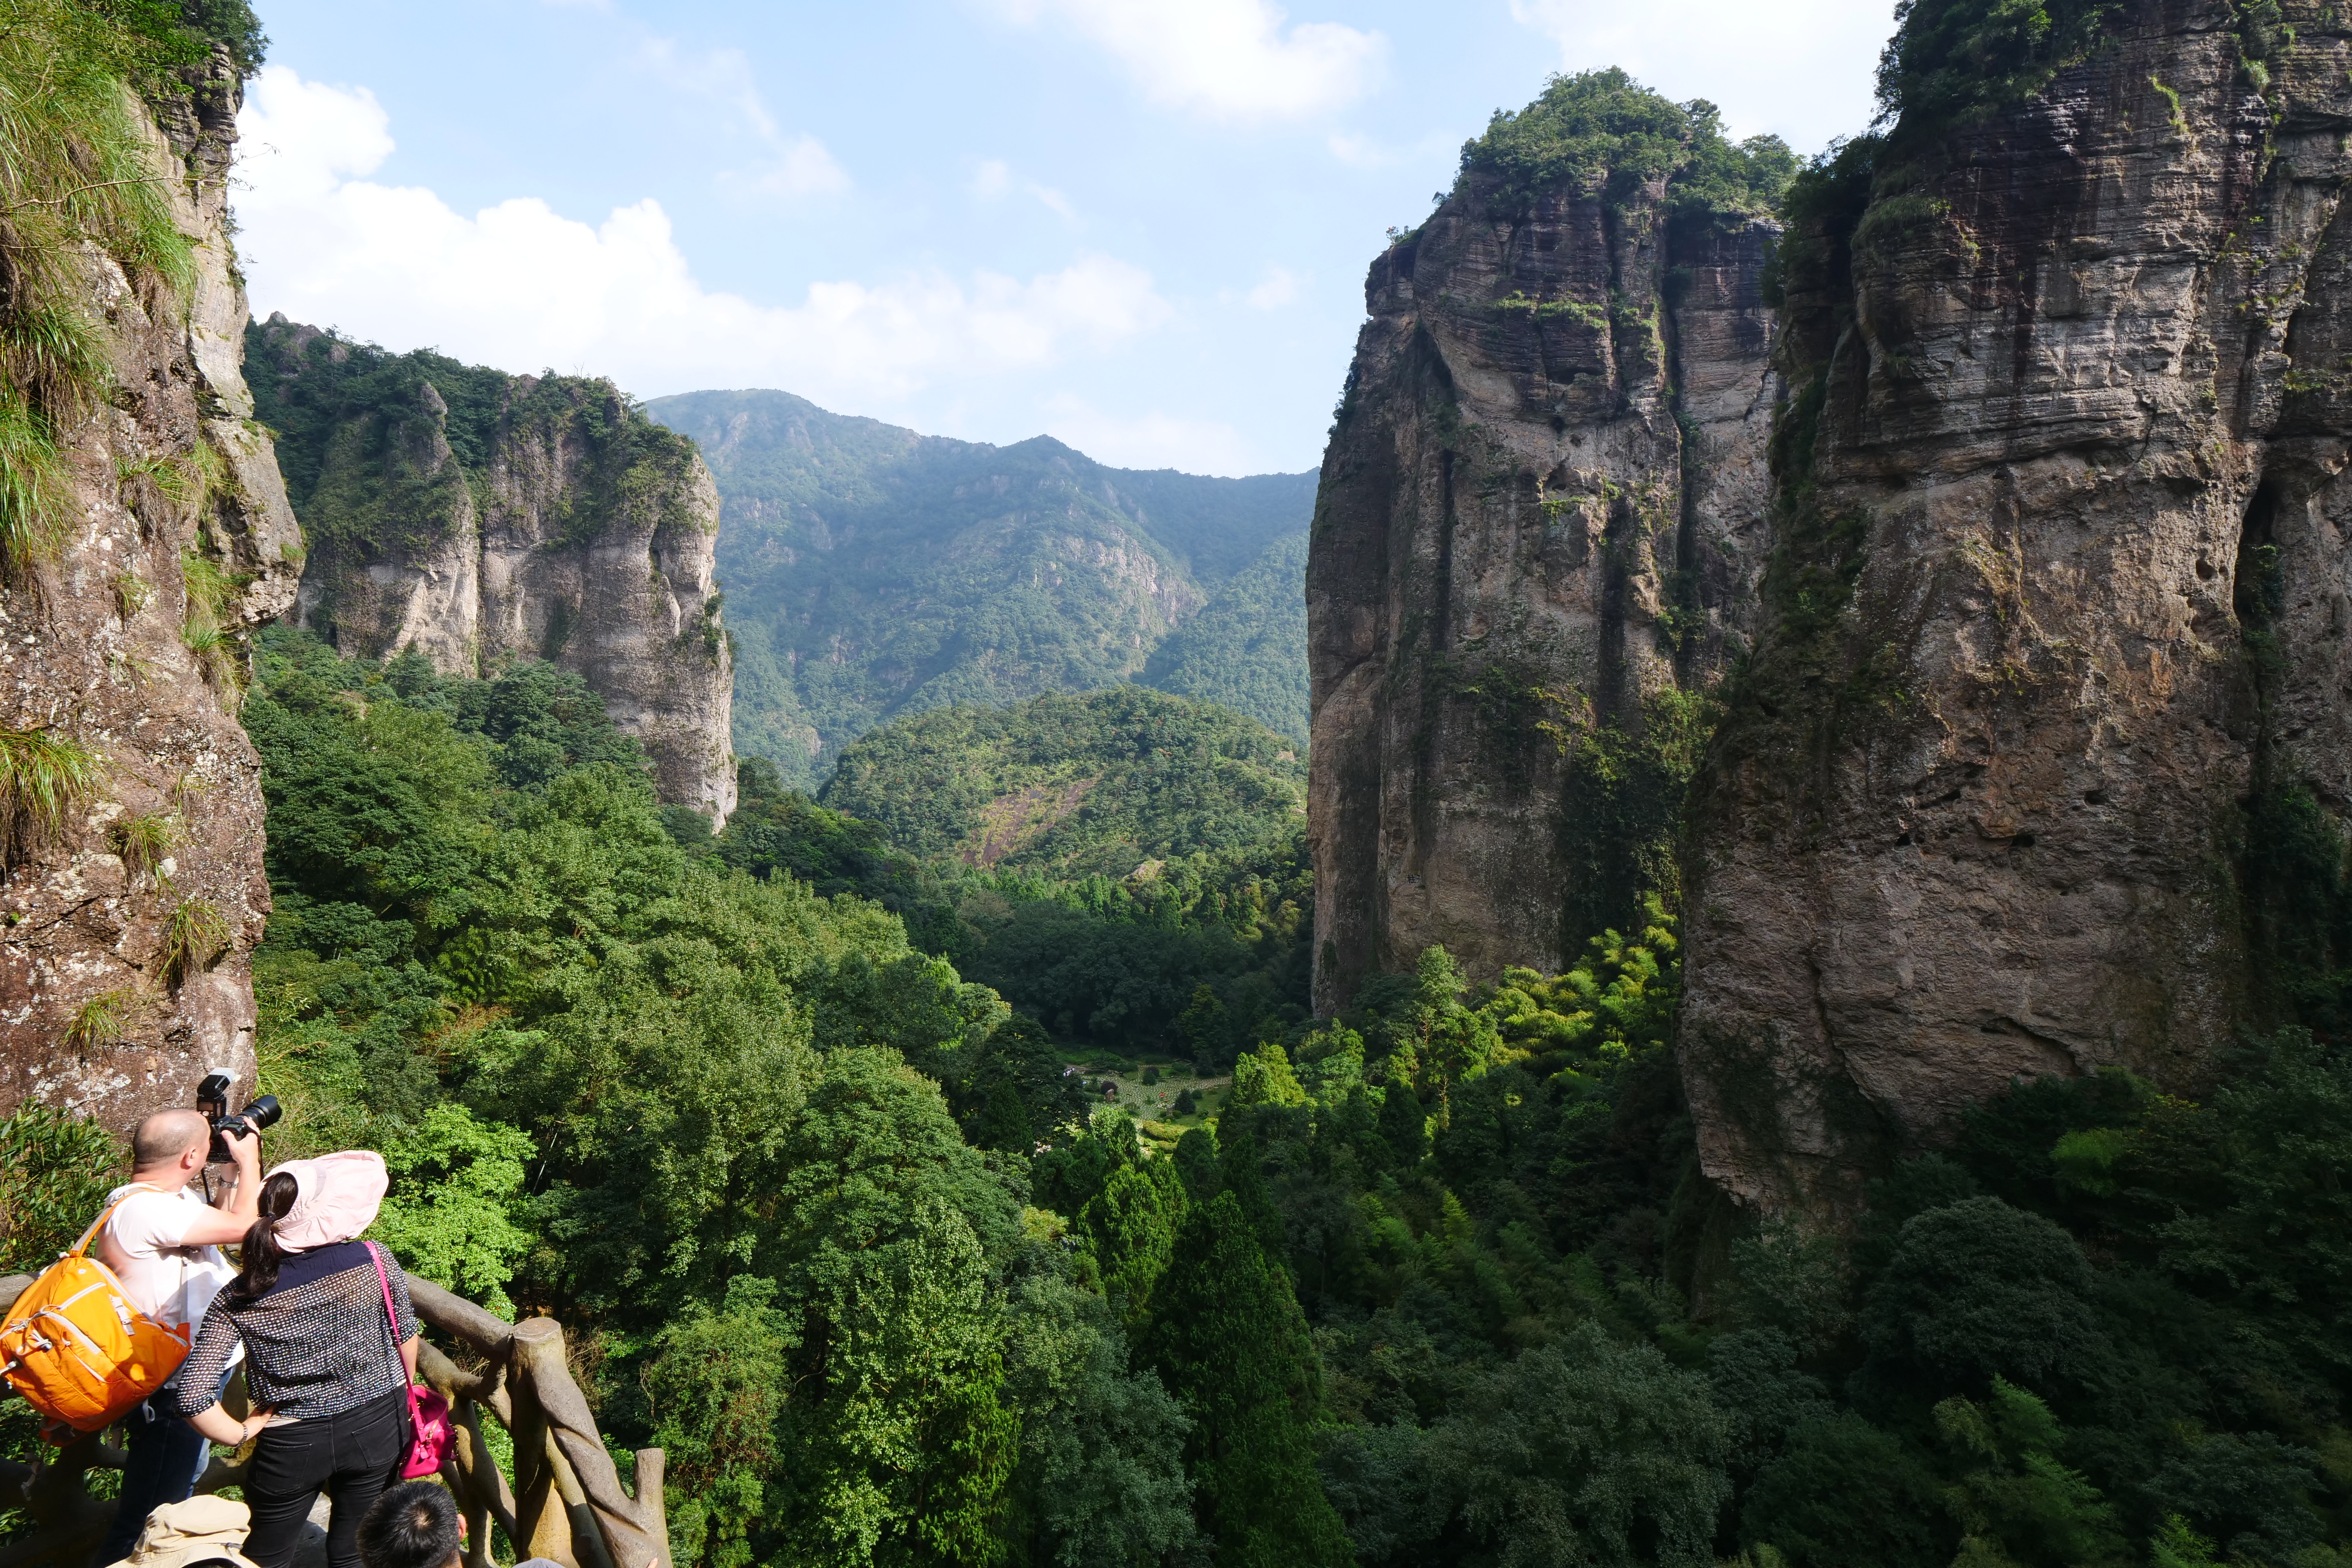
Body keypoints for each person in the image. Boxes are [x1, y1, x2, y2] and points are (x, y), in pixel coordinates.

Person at [169, 1152, 419, 1568]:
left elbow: (193, 1396)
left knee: (265, 1558)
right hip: (378, 1422)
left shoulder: (239, 1295)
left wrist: (240, 1433)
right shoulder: (374, 1260)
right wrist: (403, 1395)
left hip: (291, 1442)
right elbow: (405, 1338)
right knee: (355, 1552)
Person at [90, 1108, 263, 1568]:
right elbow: (245, 1229)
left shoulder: (162, 1197)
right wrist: (250, 1161)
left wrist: (228, 1176)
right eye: (208, 1145)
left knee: (175, 1487)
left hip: (189, 1371)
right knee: (154, 1511)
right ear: (190, 1156)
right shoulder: (148, 1209)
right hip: (172, 1382)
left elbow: (218, 1228)